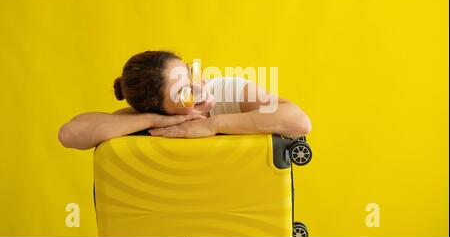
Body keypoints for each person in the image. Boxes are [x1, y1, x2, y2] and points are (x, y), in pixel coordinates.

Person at [58, 51, 312, 150]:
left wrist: (212, 125)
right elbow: (70, 134)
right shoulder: (151, 120)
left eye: (191, 73)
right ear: (161, 109)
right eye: (183, 92)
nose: (199, 89)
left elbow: (298, 121)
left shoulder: (229, 91)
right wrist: (151, 120)